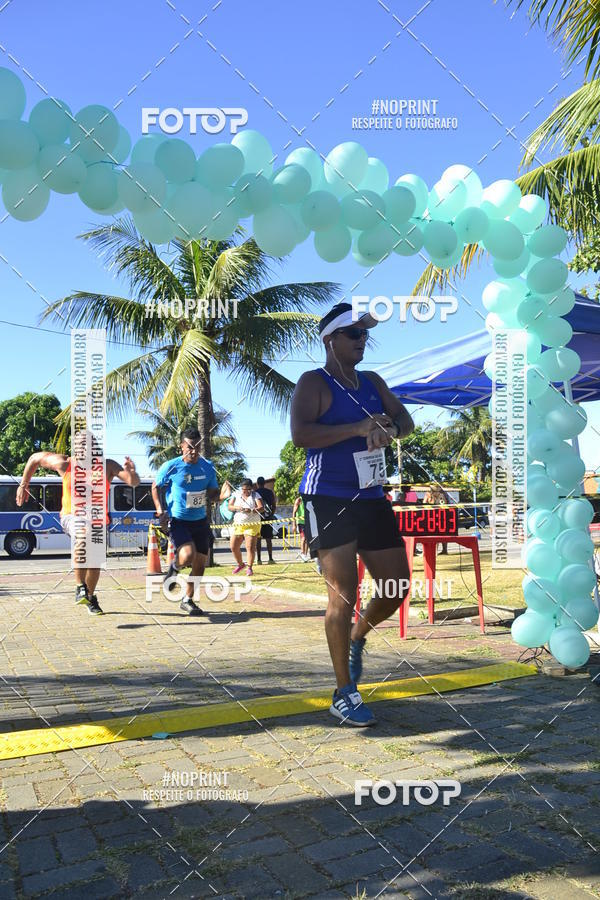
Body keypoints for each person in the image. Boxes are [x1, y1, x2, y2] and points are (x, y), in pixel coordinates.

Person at [291, 302, 414, 727]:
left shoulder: (373, 381)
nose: (364, 340)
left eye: (365, 333)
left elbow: (406, 420)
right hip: (326, 497)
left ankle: (358, 636)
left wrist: (389, 429)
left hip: (371, 496)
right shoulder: (313, 382)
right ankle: (344, 693)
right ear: (330, 340)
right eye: (355, 334)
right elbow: (301, 435)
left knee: (397, 586)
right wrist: (358, 428)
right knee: (343, 594)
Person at [17, 436, 140, 615]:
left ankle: (90, 597)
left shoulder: (107, 466)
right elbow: (34, 458)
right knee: (84, 533)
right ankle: (80, 587)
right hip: (72, 516)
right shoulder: (65, 464)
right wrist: (24, 484)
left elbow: (133, 482)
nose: (85, 450)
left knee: (95, 562)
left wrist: (132, 472)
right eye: (80, 446)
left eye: (89, 446)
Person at [151, 428, 220, 616]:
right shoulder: (171, 466)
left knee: (200, 564)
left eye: (197, 446)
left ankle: (188, 600)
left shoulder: (208, 467)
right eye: (190, 447)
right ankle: (174, 568)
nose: (194, 451)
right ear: (181, 446)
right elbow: (155, 486)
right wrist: (160, 510)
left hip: (200, 521)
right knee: (188, 554)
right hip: (178, 520)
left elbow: (213, 493)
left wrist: (220, 495)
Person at [228, 479, 263, 576]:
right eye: (243, 489)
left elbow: (261, 508)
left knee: (250, 547)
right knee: (233, 546)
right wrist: (237, 508)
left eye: (247, 489)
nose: (245, 491)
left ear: (251, 488)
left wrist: (251, 510)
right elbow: (230, 506)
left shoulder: (255, 495)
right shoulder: (236, 494)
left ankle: (249, 568)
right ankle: (240, 564)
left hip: (252, 525)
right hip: (238, 524)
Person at [255, 476, 276, 565]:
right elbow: (274, 505)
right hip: (268, 517)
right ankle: (270, 559)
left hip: (258, 518)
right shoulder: (269, 492)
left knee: (258, 539)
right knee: (268, 539)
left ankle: (259, 559)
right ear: (264, 483)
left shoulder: (255, 493)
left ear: (257, 484)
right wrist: (271, 515)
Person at [424, 484, 449, 554]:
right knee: (435, 534)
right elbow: (423, 504)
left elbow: (445, 504)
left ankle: (443, 550)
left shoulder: (441, 495)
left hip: (440, 516)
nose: (436, 492)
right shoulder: (428, 495)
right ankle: (435, 551)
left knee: (440, 534)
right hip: (432, 516)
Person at [292, 493, 309, 561]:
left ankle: (305, 555)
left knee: (308, 539)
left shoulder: (308, 500)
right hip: (301, 522)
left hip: (308, 522)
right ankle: (303, 553)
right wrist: (294, 524)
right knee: (303, 538)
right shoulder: (299, 500)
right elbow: (294, 512)